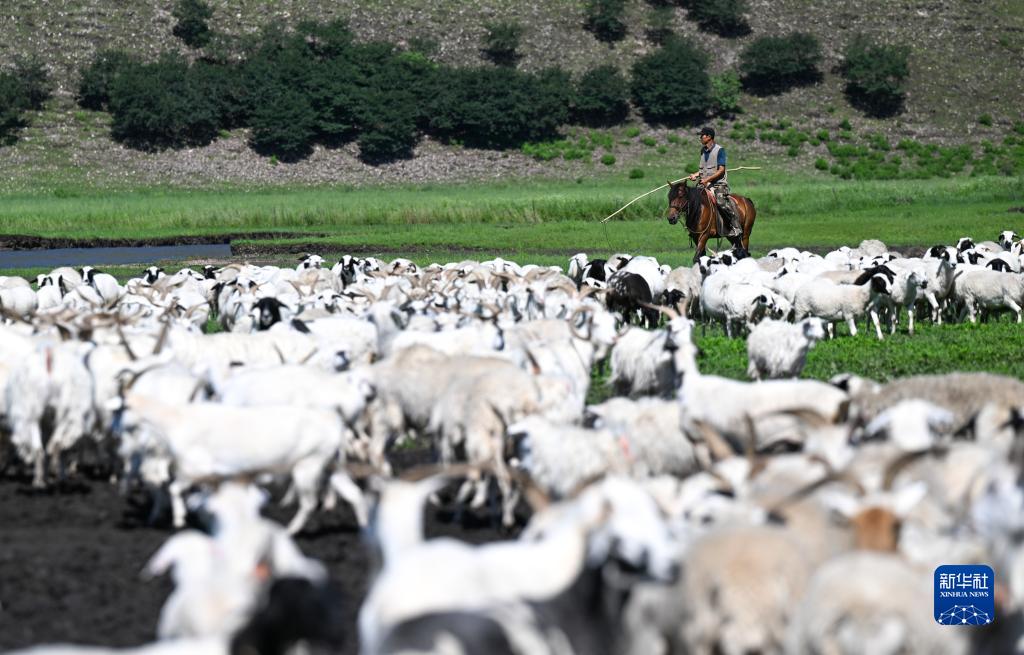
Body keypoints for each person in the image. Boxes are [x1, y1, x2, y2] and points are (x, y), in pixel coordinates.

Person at [687, 126, 740, 238]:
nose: (700, 138)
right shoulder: (703, 151)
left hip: (718, 185)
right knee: (692, 200)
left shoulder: (720, 150)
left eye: (702, 136)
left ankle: (735, 226)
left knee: (721, 202)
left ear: (709, 137)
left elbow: (721, 170)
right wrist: (695, 175)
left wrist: (707, 180)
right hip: (704, 184)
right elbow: (703, 170)